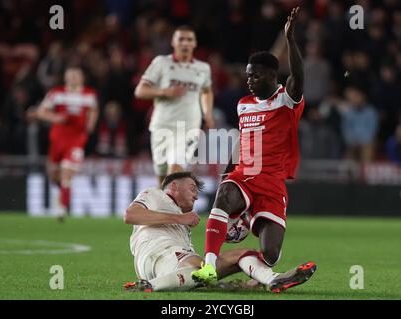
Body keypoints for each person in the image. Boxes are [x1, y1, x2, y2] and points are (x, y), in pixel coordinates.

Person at [192, 7, 317, 291]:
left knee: (270, 254)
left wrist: (291, 39)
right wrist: (226, 173)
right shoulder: (243, 104)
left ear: (273, 76)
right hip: (246, 173)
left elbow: (298, 75)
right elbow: (241, 140)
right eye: (248, 75)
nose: (249, 80)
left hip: (272, 183)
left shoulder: (287, 100)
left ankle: (255, 264)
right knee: (224, 194)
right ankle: (209, 266)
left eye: (255, 76)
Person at [123, 171, 316, 292]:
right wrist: (180, 218)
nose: (196, 195)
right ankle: (151, 286)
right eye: (192, 188)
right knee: (203, 268)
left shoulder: (182, 220)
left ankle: (270, 279)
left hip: (169, 263)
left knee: (237, 256)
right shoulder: (155, 194)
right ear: (174, 186)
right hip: (157, 254)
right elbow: (130, 215)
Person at [134, 25, 215, 186]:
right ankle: (167, 210)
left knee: (175, 170)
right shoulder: (161, 63)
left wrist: (207, 113)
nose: (185, 43)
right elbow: (140, 91)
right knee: (162, 178)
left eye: (189, 39)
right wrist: (165, 91)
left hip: (188, 128)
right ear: (173, 42)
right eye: (181, 39)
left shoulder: (203, 68)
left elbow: (207, 91)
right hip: (162, 126)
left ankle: (172, 208)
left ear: (195, 43)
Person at [36, 66, 99, 220]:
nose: (73, 78)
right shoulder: (56, 93)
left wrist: (91, 123)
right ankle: (62, 194)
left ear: (82, 78)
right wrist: (55, 118)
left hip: (76, 139)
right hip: (57, 139)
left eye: (76, 75)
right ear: (65, 78)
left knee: (67, 172)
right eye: (70, 75)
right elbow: (41, 112)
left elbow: (94, 109)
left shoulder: (89, 94)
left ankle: (62, 207)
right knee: (53, 174)